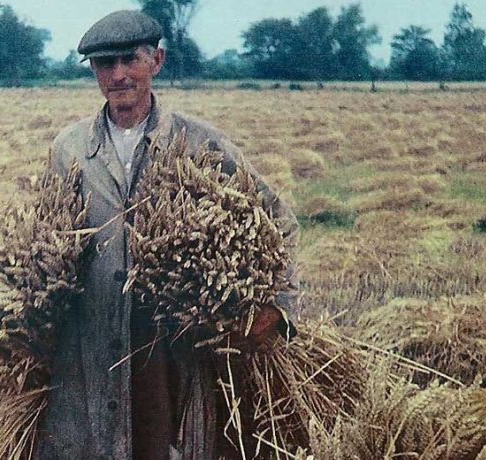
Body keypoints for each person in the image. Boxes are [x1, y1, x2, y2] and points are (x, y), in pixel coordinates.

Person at [39, 10, 298, 460]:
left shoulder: (201, 145)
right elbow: (45, 238)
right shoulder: (71, 150)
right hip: (93, 354)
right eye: (104, 64)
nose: (118, 75)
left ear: (156, 60)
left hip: (173, 353)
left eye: (129, 60)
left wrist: (279, 308)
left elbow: (277, 220)